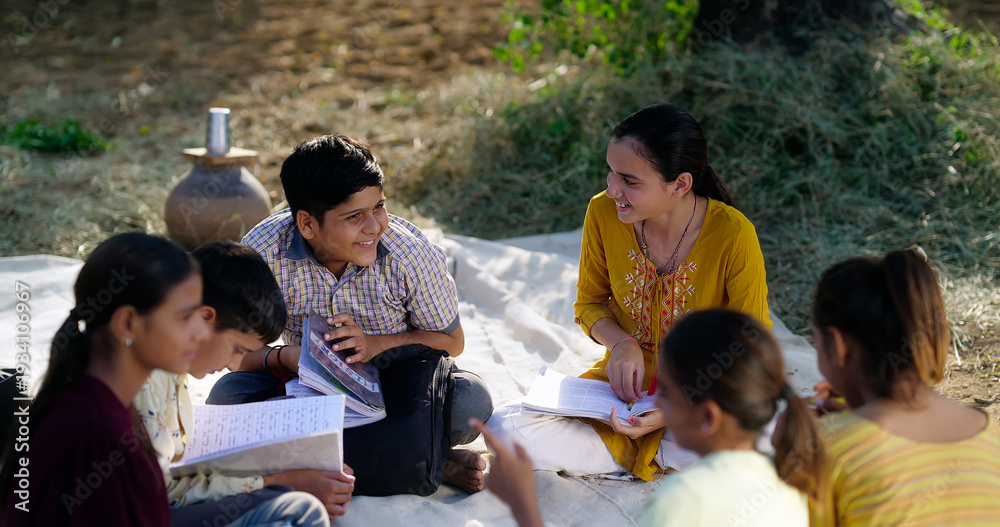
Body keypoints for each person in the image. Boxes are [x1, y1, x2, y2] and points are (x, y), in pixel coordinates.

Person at [491, 103, 772, 480]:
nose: (612, 190)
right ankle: (654, 450)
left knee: (771, 430)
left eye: (630, 181)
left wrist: (675, 408)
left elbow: (751, 342)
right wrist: (622, 344)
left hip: (704, 393)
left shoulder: (733, 234)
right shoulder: (602, 212)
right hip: (620, 396)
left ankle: (642, 448)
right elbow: (589, 303)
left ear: (680, 185)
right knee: (503, 428)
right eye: (611, 173)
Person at [208, 134, 494, 493]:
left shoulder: (410, 255)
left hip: (398, 384)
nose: (374, 226)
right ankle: (427, 458)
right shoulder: (263, 254)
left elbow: (451, 342)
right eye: (354, 216)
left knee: (470, 401)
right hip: (305, 386)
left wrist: (376, 345)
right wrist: (291, 358)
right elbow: (232, 350)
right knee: (226, 401)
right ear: (307, 224)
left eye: (379, 207)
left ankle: (324, 459)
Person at [474, 308, 823, 527]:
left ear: (708, 416)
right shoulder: (793, 464)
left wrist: (524, 509)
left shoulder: (686, 504)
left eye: (664, 393)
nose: (653, 400)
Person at [133, 241, 353, 525]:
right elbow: (164, 492)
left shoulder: (170, 369)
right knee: (298, 509)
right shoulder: (149, 376)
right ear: (205, 318)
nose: (234, 365)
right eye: (237, 348)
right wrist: (281, 481)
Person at [0, 232, 207, 525]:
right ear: (128, 324)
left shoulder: (102, 402)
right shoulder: (97, 435)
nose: (202, 332)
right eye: (185, 317)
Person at [810, 249, 1000, 526]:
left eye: (816, 343)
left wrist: (790, 449)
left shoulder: (829, 448)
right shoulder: (991, 436)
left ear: (838, 345)